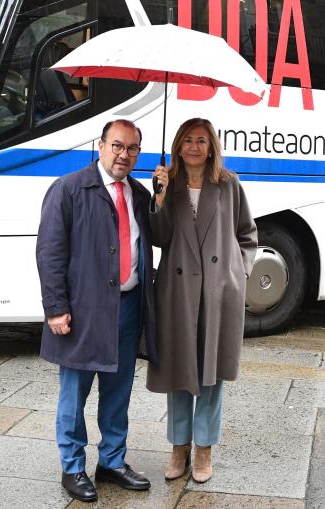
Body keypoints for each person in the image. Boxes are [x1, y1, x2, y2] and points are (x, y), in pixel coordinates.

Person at [36, 119, 156, 502]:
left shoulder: (138, 194)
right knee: (75, 393)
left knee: (118, 391)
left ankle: (112, 461)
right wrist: (56, 308)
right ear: (101, 145)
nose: (125, 155)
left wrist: (164, 195)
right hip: (83, 312)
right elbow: (49, 253)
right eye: (118, 146)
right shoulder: (69, 189)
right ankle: (72, 467)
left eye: (133, 148)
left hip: (128, 306)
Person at [145, 118, 258, 484]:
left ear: (212, 147)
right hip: (177, 293)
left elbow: (247, 234)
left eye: (202, 140)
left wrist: (237, 273)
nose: (195, 146)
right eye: (188, 140)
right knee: (180, 371)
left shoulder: (228, 184)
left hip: (216, 292)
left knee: (210, 374)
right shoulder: (168, 184)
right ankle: (179, 448)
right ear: (178, 145)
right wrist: (158, 198)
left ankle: (204, 449)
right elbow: (160, 239)